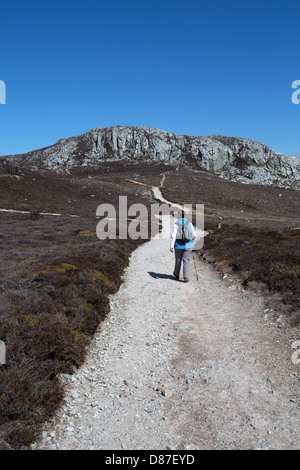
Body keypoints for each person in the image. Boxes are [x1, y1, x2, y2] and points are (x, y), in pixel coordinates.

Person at [170, 213, 196, 282]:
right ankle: (186, 277)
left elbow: (173, 236)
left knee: (178, 260)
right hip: (188, 246)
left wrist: (171, 246)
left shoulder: (176, 224)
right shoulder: (189, 224)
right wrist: (191, 241)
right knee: (186, 261)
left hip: (178, 246)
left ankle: (176, 274)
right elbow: (194, 235)